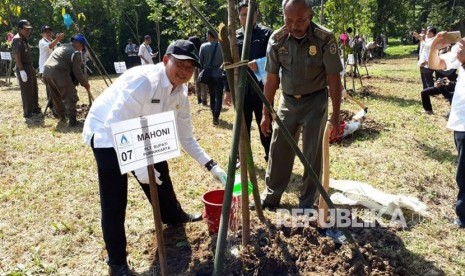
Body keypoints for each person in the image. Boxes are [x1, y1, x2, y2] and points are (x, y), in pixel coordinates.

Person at [82, 40, 227, 274]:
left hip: (144, 132)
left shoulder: (180, 93)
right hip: (106, 134)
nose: (184, 72)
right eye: (179, 64)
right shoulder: (144, 82)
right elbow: (115, 124)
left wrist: (212, 166)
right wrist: (139, 168)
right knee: (115, 199)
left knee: (161, 174)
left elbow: (186, 139)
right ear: (166, 60)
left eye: (190, 68)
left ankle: (173, 215)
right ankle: (116, 262)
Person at [259, 0, 342, 209]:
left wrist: (335, 115)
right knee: (279, 148)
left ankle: (307, 201)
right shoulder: (277, 40)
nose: (294, 26)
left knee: (312, 152)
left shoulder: (325, 38)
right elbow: (271, 79)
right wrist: (265, 112)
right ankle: (271, 196)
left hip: (316, 100)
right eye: (289, 20)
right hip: (287, 101)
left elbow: (333, 78)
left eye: (300, 21)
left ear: (310, 16)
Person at [224, 0, 273, 161]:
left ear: (256, 14)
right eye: (243, 14)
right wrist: (227, 90)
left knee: (265, 123)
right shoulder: (234, 36)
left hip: (261, 89)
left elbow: (274, 60)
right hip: (241, 89)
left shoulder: (266, 34)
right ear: (238, 16)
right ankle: (242, 158)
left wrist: (259, 63)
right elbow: (229, 65)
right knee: (241, 126)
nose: (247, 17)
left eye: (250, 13)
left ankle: (270, 155)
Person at [428, 32, 465, 229]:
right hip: (461, 124)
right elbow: (436, 65)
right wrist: (434, 46)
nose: (460, 45)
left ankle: (463, 216)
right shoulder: (459, 55)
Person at [43, 34, 90, 126]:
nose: (82, 50)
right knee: (70, 95)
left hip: (47, 72)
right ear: (79, 44)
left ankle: (62, 118)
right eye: (82, 47)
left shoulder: (62, 47)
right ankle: (72, 121)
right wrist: (85, 83)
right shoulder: (75, 53)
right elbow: (77, 72)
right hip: (59, 72)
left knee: (56, 95)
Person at [12, 19, 40, 119]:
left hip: (29, 66)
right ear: (19, 29)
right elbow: (17, 55)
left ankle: (35, 108)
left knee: (34, 88)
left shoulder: (24, 38)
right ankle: (28, 112)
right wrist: (21, 69)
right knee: (27, 90)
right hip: (23, 67)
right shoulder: (17, 39)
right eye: (26, 29)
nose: (29, 31)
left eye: (29, 29)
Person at [199, 30, 224, 125]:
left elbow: (200, 62)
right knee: (219, 97)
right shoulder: (222, 46)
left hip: (209, 75)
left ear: (209, 35)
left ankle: (214, 114)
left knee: (212, 96)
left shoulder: (203, 46)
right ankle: (216, 116)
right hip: (219, 74)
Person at [38, 25, 65, 113]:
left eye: (50, 31)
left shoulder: (55, 42)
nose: (48, 33)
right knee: (50, 89)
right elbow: (50, 46)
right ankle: (52, 107)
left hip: (54, 69)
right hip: (45, 70)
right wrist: (57, 39)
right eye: (46, 32)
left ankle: (57, 106)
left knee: (56, 88)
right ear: (42, 34)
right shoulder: (42, 42)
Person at [188, 35, 209, 105]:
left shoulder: (192, 50)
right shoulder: (203, 47)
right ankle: (204, 100)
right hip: (202, 67)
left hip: (196, 67)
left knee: (197, 83)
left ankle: (199, 99)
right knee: (203, 83)